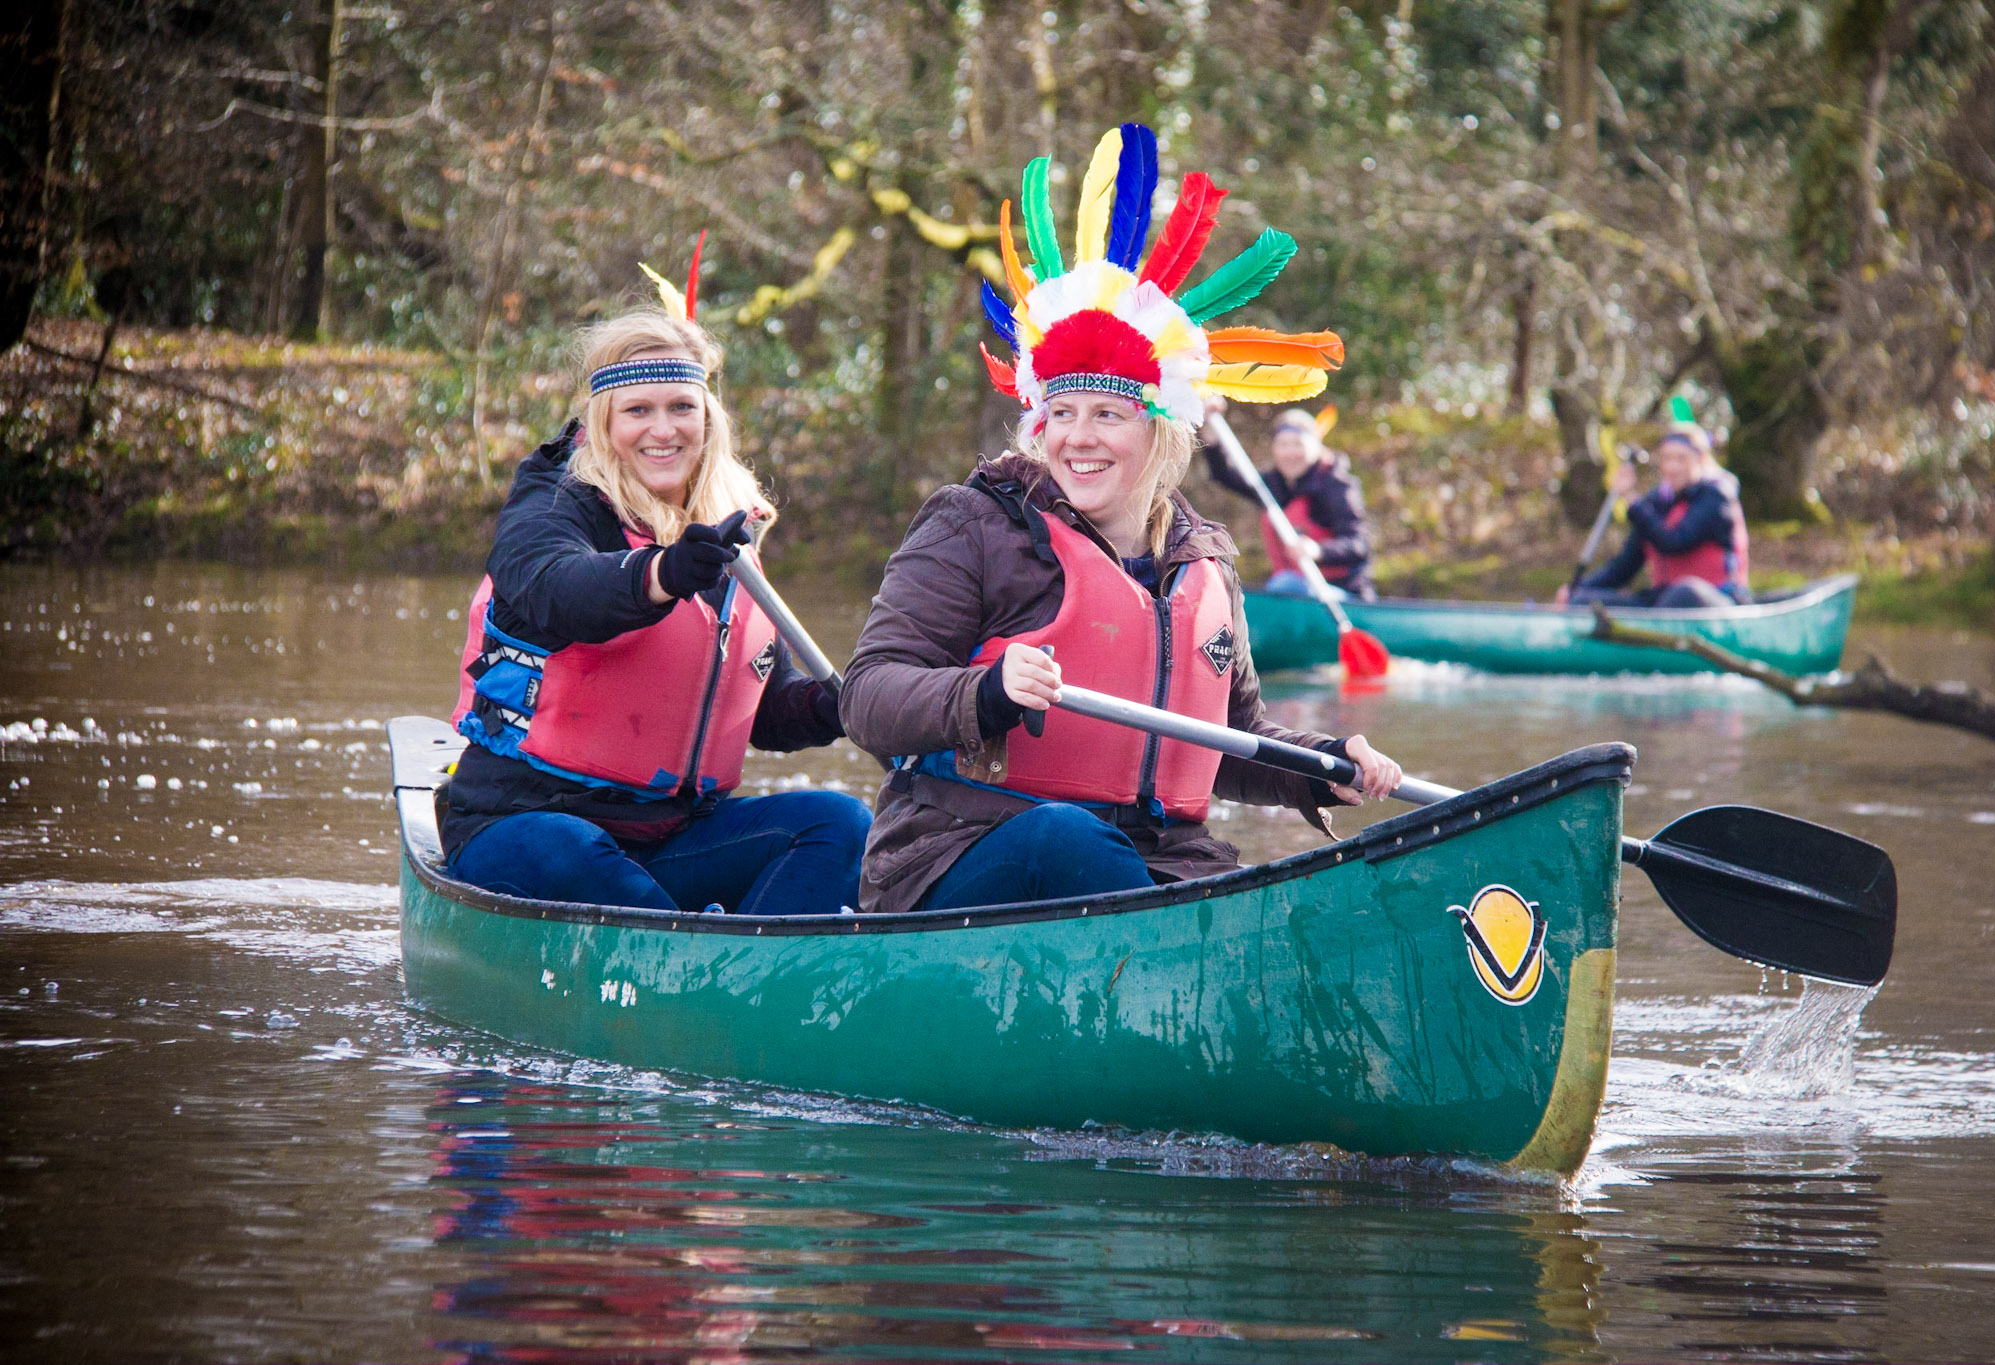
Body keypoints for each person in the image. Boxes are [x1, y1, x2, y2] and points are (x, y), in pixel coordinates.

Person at [838, 121, 1404, 915]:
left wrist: (1327, 764)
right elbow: (866, 696)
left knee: (1260, 891)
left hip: (1159, 861)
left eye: (1108, 414)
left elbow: (1229, 740)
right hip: (964, 853)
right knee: (1065, 837)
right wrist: (984, 692)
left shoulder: (1203, 559)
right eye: (1062, 413)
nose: (1079, 437)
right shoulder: (972, 526)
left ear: (1159, 431)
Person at [439, 285, 869, 916]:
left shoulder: (726, 528)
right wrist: (663, 572)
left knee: (840, 823)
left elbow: (761, 708)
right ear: (604, 422)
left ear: (707, 419)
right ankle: (696, 948)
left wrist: (837, 703)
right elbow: (558, 590)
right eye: (638, 410)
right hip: (525, 821)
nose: (663, 430)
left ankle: (740, 965)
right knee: (571, 849)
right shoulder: (552, 502)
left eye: (681, 408)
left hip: (670, 835)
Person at [1558, 421, 1751, 608]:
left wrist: (1632, 500)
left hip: (1715, 598)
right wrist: (1579, 589)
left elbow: (1674, 542)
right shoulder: (1656, 503)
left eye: (1681, 459)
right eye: (1667, 458)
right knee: (1581, 602)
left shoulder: (1716, 496)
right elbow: (1625, 566)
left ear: (1700, 459)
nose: (1672, 467)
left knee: (1684, 593)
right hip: (1663, 599)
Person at [1200, 403, 1375, 598]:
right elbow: (1225, 475)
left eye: (1298, 444)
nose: (1290, 453)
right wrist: (1211, 433)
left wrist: (1318, 551)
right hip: (1296, 591)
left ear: (1316, 446)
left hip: (1343, 595)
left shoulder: (1336, 485)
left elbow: (1359, 545)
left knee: (1284, 585)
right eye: (1283, 445)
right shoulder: (1272, 486)